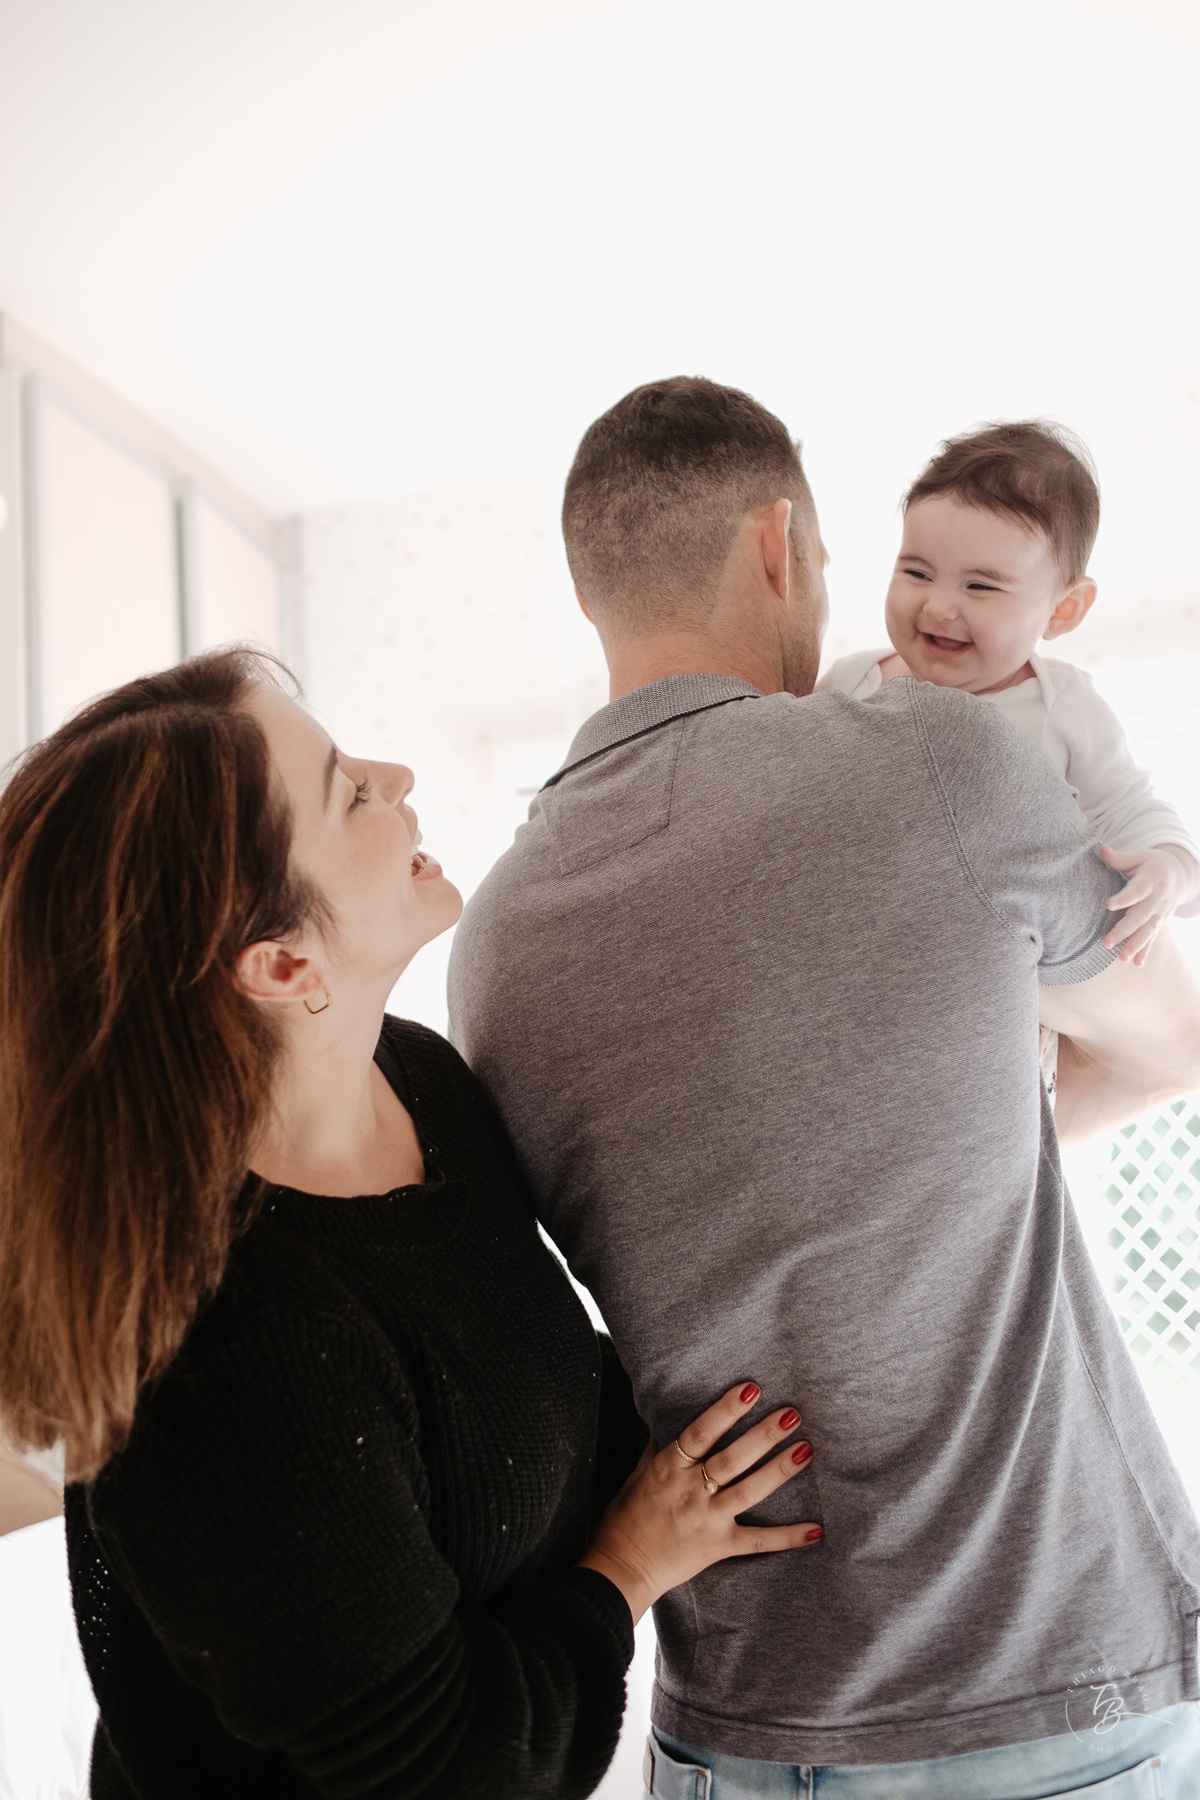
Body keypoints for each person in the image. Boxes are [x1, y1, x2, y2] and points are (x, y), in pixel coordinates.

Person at [447, 377, 1200, 1797]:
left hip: (736, 1722)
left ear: (593, 590)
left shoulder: (494, 944)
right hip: (1041, 1689)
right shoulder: (939, 761)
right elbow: (1175, 1041)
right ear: (778, 547)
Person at [0, 648, 824, 1800]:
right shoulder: (229, 1352)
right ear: (281, 964)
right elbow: (454, 1769)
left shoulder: (420, 1082)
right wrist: (629, 1567)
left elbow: (506, 1387)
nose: (396, 777)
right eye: (347, 791)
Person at [820, 419, 1199, 969]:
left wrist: (1174, 867)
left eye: (980, 586)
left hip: (1000, 963)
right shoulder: (851, 682)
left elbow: (1128, 807)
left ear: (1062, 609)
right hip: (863, 947)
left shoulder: (1060, 705)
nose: (938, 606)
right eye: (918, 573)